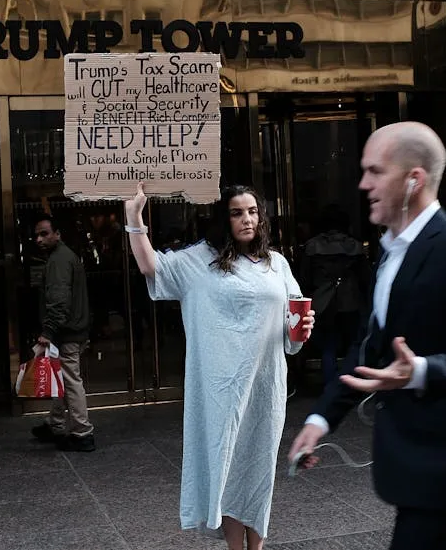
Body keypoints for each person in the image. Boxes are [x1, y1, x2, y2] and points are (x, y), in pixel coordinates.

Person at [288, 122, 446, 550]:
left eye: (376, 171)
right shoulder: (391, 252)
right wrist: (320, 419)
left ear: (413, 179)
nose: (364, 183)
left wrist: (421, 371)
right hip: (417, 465)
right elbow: (368, 348)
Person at [125, 183, 315, 550]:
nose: (247, 219)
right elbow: (152, 266)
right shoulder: (199, 261)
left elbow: (294, 320)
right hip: (220, 389)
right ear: (222, 219)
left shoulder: (277, 264)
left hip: (265, 387)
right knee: (227, 467)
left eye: (252, 212)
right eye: (237, 212)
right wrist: (134, 218)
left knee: (259, 469)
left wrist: (303, 329)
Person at [30, 214, 94, 452]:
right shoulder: (64, 257)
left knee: (70, 380)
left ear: (58, 234)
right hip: (71, 330)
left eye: (44, 233)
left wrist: (49, 330)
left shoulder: (58, 260)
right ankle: (56, 424)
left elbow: (59, 299)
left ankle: (82, 431)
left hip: (66, 332)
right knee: (63, 379)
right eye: (37, 234)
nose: (39, 239)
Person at [299, 205, 369, 386]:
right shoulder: (355, 246)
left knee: (328, 346)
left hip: (321, 302)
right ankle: (352, 384)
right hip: (350, 301)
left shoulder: (312, 246)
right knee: (353, 344)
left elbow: (304, 278)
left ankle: (330, 385)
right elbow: (365, 279)